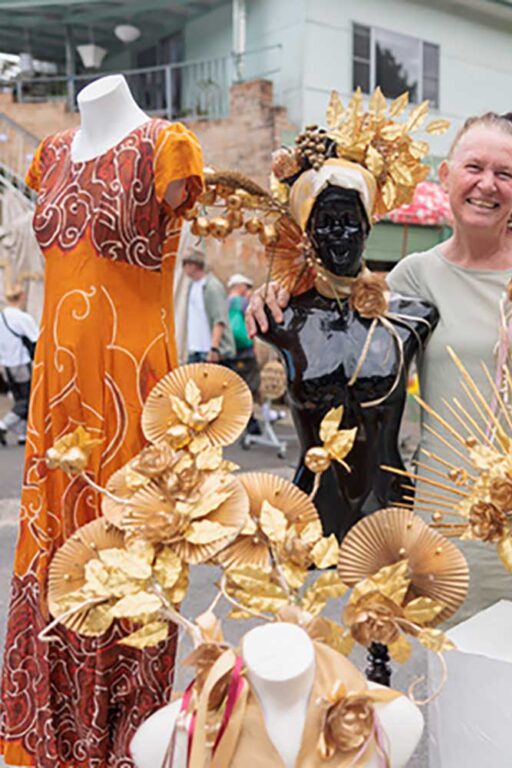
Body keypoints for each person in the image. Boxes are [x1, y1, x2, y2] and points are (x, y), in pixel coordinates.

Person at [248, 111, 512, 612]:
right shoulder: (412, 279)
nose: (486, 185)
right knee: (470, 668)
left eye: (504, 173)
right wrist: (276, 292)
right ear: (446, 176)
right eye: (473, 168)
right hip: (458, 519)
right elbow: (337, 308)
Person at [0, 72, 203, 768]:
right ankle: (52, 738)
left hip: (132, 396)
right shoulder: (49, 154)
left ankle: (124, 744)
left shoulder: (168, 148)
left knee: (127, 555)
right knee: (55, 554)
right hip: (56, 400)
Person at [181, 247, 235, 365]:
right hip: (195, 352)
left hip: (209, 354)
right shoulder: (191, 286)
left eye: (185, 263)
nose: (183, 268)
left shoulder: (212, 286)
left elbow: (219, 320)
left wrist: (214, 348)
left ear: (193, 265)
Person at [0, 285, 39, 445]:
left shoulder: (1, 316)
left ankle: (23, 434)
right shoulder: (23, 318)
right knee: (27, 399)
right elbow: (36, 338)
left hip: (7, 364)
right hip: (21, 363)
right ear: (22, 297)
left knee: (18, 398)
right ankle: (3, 425)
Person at [227, 273, 262, 436]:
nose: (248, 290)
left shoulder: (225, 302)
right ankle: (251, 422)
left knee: (233, 386)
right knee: (250, 386)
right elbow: (252, 324)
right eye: (247, 287)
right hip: (245, 351)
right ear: (240, 286)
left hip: (230, 350)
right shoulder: (242, 302)